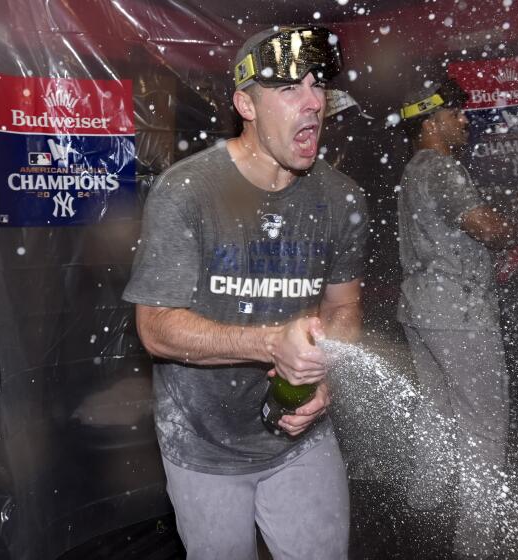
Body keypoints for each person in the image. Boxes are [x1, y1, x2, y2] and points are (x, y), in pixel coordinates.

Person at [122, 25, 368, 560]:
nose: (312, 103)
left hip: (302, 436)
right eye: (287, 89)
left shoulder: (341, 196)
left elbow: (344, 306)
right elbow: (155, 328)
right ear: (245, 104)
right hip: (203, 446)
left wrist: (326, 370)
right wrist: (269, 344)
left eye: (316, 85)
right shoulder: (187, 191)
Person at [396, 77, 518, 559]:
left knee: (437, 411)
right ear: (431, 121)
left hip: (421, 308)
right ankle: (477, 542)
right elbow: (486, 228)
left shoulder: (414, 169)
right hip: (458, 313)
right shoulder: (442, 168)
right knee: (484, 423)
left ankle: (423, 505)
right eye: (456, 114)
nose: (464, 122)